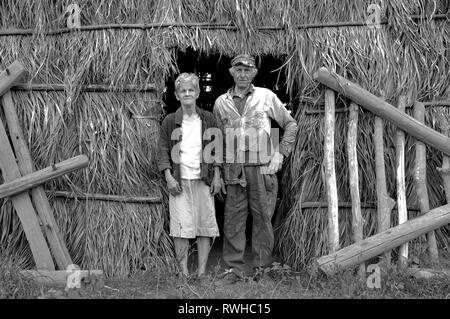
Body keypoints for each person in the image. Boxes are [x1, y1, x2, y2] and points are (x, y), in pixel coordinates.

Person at [213, 54, 298, 284]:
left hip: (262, 168)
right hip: (234, 170)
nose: (242, 74)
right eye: (238, 70)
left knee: (262, 219)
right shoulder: (221, 102)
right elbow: (219, 140)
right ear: (231, 72)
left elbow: (290, 124)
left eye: (247, 70)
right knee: (233, 220)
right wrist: (218, 171)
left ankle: (263, 270)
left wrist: (280, 153)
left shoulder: (266, 96)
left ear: (254, 73)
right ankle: (234, 270)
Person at [157, 73, 224, 280]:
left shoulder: (208, 118)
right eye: (183, 91)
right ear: (177, 96)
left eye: (191, 90)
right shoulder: (170, 121)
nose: (187, 93)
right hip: (179, 180)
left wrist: (217, 176)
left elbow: (217, 149)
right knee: (181, 227)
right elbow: (163, 150)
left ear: (197, 93)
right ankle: (184, 272)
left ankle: (202, 272)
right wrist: (169, 177)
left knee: (205, 225)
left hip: (203, 179)